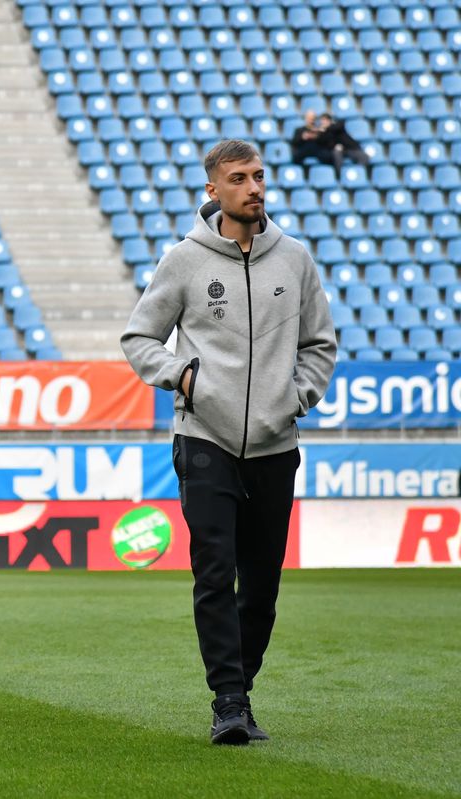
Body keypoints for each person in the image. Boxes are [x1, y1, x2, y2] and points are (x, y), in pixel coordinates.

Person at [121, 140, 336, 745]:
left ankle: (242, 686)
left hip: (275, 442)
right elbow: (140, 338)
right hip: (203, 438)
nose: (254, 187)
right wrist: (183, 378)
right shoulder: (184, 260)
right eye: (239, 178)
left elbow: (319, 346)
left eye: (259, 176)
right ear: (213, 190)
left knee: (261, 583)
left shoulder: (294, 259)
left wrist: (294, 399)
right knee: (214, 571)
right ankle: (229, 701)